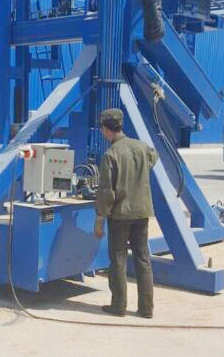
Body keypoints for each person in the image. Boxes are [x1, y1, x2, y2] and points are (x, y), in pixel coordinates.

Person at [94, 108, 158, 318]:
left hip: (120, 215)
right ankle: (146, 308)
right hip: (141, 212)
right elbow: (154, 157)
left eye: (102, 128)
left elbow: (106, 192)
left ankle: (119, 306)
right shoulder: (141, 147)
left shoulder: (110, 154)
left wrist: (100, 218)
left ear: (106, 129)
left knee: (118, 259)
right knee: (143, 258)